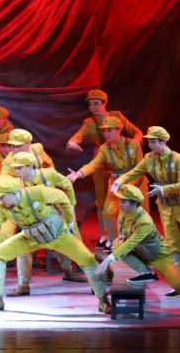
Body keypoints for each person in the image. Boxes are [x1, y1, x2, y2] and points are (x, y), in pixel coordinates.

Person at [0, 176, 110, 314]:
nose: (0, 200)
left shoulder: (37, 192)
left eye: (3, 197)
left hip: (59, 236)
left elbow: (62, 197)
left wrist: (70, 221)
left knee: (88, 259)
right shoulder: (3, 208)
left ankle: (103, 300)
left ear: (14, 193)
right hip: (30, 238)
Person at [113, 126, 180, 296]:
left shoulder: (177, 158)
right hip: (166, 207)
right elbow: (134, 172)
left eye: (153, 142)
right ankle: (177, 285)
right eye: (149, 142)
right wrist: (120, 181)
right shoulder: (149, 158)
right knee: (173, 246)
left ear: (163, 142)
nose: (150, 145)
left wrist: (162, 190)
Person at [0, 151, 86, 294]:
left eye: (19, 168)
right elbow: (2, 195)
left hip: (54, 218)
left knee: (72, 245)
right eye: (15, 168)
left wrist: (71, 208)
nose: (16, 171)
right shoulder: (18, 183)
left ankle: (78, 273)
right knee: (18, 248)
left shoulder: (48, 174)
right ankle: (21, 285)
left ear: (30, 166)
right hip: (30, 222)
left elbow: (66, 186)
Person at [97, 184, 180, 316]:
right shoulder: (125, 213)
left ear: (134, 203)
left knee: (177, 285)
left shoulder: (144, 221)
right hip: (142, 250)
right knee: (117, 245)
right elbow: (123, 228)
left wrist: (108, 260)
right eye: (120, 200)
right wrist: (122, 236)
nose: (120, 204)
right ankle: (146, 272)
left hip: (158, 255)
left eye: (124, 201)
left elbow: (131, 243)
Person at [66, 89, 143, 247]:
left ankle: (128, 233)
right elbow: (77, 137)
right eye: (90, 104)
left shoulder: (117, 117)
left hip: (121, 159)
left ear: (104, 103)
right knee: (102, 199)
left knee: (127, 196)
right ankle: (106, 234)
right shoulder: (89, 123)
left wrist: (135, 143)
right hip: (102, 160)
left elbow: (136, 132)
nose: (93, 107)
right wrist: (72, 143)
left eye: (96, 103)